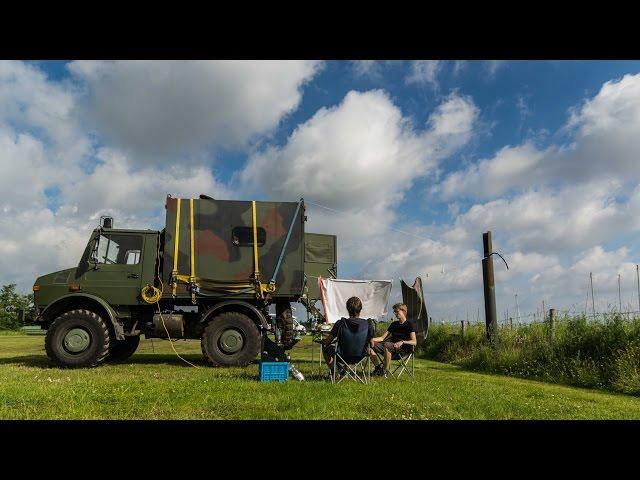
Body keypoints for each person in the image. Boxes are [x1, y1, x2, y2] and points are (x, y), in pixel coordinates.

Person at [321, 296, 374, 376]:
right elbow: (372, 344)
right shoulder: (368, 324)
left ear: (347, 309)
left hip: (342, 356)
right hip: (360, 356)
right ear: (360, 309)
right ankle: (340, 370)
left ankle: (334, 370)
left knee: (325, 347)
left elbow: (327, 342)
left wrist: (322, 341)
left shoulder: (340, 323)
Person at [370, 303, 417, 377]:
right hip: (390, 348)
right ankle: (378, 368)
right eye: (394, 312)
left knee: (387, 345)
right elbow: (382, 338)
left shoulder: (409, 325)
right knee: (370, 345)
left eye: (396, 311)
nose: (395, 313)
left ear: (403, 311)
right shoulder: (394, 324)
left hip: (402, 350)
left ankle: (386, 371)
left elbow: (414, 342)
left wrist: (402, 342)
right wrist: (371, 339)